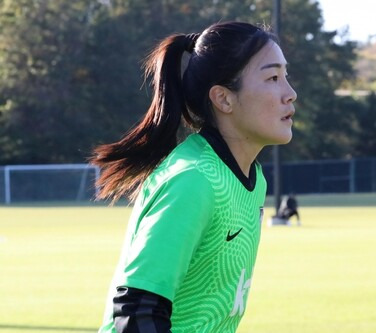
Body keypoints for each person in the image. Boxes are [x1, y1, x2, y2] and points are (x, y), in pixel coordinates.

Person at [91, 21, 297, 333]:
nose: (290, 93)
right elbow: (135, 314)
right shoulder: (194, 180)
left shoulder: (251, 178)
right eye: (272, 77)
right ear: (224, 99)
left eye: (286, 76)